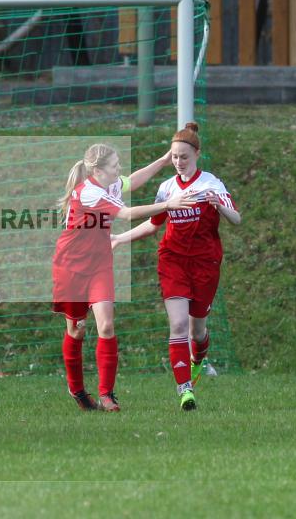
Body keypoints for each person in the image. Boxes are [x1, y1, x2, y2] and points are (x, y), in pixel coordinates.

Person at [53, 144, 195, 411]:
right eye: (114, 166)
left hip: (99, 265)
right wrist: (167, 204)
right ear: (97, 171)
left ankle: (107, 395)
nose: (119, 170)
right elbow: (127, 214)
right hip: (71, 267)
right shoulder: (89, 192)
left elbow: (133, 180)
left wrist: (163, 160)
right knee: (77, 330)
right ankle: (77, 390)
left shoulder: (109, 183)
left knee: (106, 326)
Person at [111, 122, 241, 411]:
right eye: (174, 157)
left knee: (197, 331)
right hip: (173, 260)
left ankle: (199, 359)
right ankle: (185, 390)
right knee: (178, 324)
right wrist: (120, 238)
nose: (179, 162)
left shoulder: (211, 184)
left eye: (184, 157)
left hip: (205, 263)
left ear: (197, 155)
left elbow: (237, 219)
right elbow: (153, 225)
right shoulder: (166, 188)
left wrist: (219, 206)